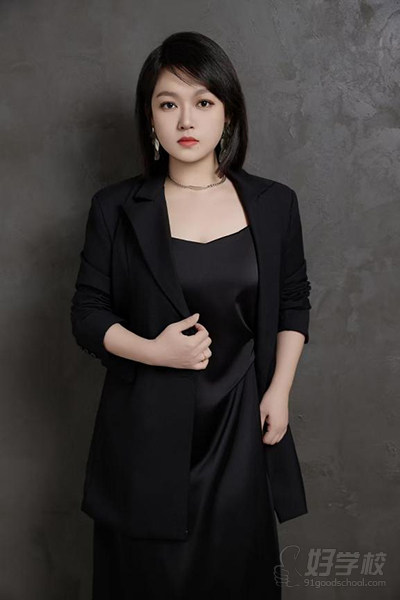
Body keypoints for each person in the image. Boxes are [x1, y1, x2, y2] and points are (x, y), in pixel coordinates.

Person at [71, 31, 312, 599]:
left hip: (240, 426)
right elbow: (87, 314)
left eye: (203, 101)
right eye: (167, 103)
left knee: (238, 576)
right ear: (150, 118)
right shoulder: (115, 208)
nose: (186, 119)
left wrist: (279, 391)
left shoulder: (275, 203)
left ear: (227, 114)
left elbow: (294, 301)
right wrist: (155, 351)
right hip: (145, 433)